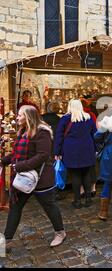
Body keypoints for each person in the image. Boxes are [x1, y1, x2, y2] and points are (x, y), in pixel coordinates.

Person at [0, 105, 66, 251]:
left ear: (29, 116)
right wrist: (3, 161)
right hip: (24, 179)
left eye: (20, 115)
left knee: (49, 206)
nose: (17, 117)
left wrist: (20, 166)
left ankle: (60, 233)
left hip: (41, 179)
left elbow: (42, 156)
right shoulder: (23, 131)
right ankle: (7, 242)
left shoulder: (42, 132)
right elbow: (17, 154)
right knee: (15, 207)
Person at [54, 99, 97, 209]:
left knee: (75, 175)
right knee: (87, 173)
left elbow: (58, 137)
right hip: (87, 148)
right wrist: (96, 148)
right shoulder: (88, 118)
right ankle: (88, 200)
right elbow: (95, 134)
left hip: (71, 150)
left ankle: (77, 201)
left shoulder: (65, 119)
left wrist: (57, 152)